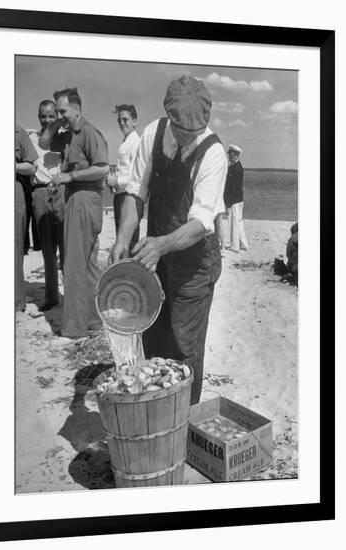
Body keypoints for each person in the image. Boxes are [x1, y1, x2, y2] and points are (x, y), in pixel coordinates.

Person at [110, 75, 227, 404]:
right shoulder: (152, 132)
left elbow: (202, 222)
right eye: (182, 132)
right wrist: (123, 238)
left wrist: (160, 245)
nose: (189, 139)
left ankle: (184, 421)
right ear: (170, 119)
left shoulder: (213, 153)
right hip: (156, 258)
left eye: (195, 133)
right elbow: (135, 193)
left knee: (184, 347)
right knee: (155, 337)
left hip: (194, 265)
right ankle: (159, 413)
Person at [41, 87, 109, 339]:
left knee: (74, 264)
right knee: (89, 265)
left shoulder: (89, 133)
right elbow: (43, 142)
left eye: (63, 111)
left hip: (84, 200)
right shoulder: (67, 135)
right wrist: (58, 121)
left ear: (77, 108)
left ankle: (74, 327)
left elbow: (102, 169)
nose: (59, 116)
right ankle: (93, 321)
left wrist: (70, 175)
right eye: (57, 112)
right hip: (76, 200)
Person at [27, 100, 69, 311]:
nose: (48, 120)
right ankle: (51, 297)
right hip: (40, 192)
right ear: (38, 117)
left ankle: (71, 295)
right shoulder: (31, 137)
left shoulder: (64, 137)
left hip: (60, 192)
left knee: (66, 245)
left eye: (51, 116)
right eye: (44, 116)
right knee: (47, 248)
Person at [106, 104, 141, 250]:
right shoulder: (126, 141)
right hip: (120, 195)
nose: (122, 123)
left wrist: (116, 181)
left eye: (125, 119)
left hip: (129, 197)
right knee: (122, 239)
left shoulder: (135, 142)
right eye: (119, 120)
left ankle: (129, 270)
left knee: (128, 241)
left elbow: (137, 175)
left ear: (134, 121)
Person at [15, 124, 37, 312]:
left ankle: (16, 301)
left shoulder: (18, 132)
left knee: (14, 249)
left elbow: (31, 167)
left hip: (14, 190)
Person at [223, 144, 249, 252]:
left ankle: (235, 246)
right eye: (229, 154)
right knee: (238, 222)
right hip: (237, 199)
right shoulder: (233, 167)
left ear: (236, 155)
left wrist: (228, 204)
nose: (230, 156)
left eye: (232, 154)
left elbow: (234, 188)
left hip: (235, 200)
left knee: (234, 223)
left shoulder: (237, 169)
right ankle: (243, 244)